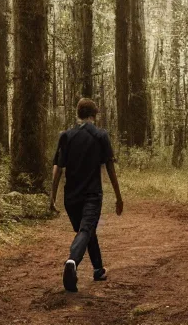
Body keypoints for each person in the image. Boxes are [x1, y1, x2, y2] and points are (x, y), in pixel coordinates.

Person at [48, 98, 124, 292]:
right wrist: (118, 196)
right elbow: (110, 168)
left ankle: (98, 269)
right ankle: (72, 262)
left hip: (70, 198)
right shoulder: (101, 135)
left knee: (86, 230)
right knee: (86, 230)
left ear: (78, 114)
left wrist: (52, 197)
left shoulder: (66, 136)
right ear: (94, 115)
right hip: (91, 195)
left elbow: (57, 169)